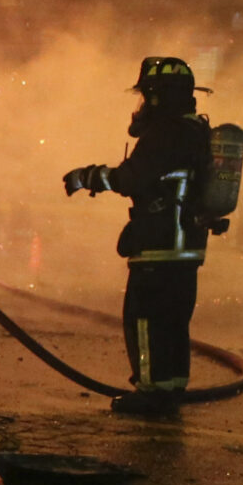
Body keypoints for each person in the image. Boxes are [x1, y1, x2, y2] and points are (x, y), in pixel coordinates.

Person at [64, 56, 229, 415]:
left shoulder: (164, 133)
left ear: (157, 97)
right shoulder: (196, 131)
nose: (141, 106)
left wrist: (87, 176)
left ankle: (152, 391)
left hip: (159, 243)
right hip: (187, 247)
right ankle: (171, 387)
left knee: (145, 317)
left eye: (145, 97)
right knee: (174, 320)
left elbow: (133, 178)